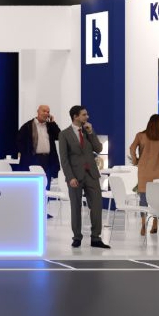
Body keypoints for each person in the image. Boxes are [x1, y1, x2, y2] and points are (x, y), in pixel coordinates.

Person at [58, 104, 109, 249]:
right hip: (75, 176)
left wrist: (91, 132)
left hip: (91, 174)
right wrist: (70, 177)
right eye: (84, 114)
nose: (87, 117)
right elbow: (64, 159)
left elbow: (98, 149)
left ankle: (96, 238)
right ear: (75, 116)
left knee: (97, 206)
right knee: (76, 207)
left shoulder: (88, 131)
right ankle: (77, 237)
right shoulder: (64, 134)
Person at [128, 113, 159, 236]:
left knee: (143, 199)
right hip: (158, 173)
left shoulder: (140, 135)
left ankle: (143, 224)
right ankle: (154, 223)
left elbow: (132, 148)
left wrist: (135, 161)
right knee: (157, 200)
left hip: (144, 172)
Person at [15, 104, 61, 184]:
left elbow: (59, 136)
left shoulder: (49, 126)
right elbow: (19, 141)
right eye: (44, 111)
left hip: (47, 159)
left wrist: (53, 123)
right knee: (32, 183)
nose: (46, 113)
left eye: (48, 112)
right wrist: (24, 153)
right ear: (38, 112)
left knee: (46, 184)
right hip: (32, 159)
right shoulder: (27, 126)